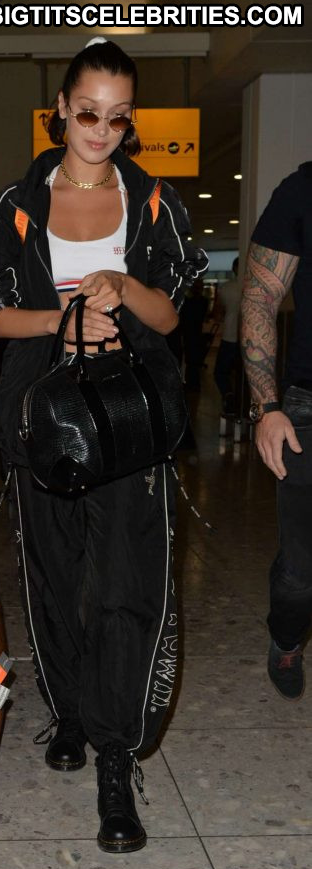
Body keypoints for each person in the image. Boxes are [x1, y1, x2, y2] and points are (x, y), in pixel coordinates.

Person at [0, 37, 207, 854]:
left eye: (118, 117)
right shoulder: (17, 203)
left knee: (126, 585)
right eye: (88, 113)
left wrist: (124, 287)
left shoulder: (155, 203)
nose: (101, 130)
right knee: (55, 572)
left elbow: (170, 313)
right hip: (46, 415)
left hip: (130, 418)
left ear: (130, 122)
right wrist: (61, 319)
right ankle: (67, 708)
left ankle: (114, 755)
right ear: (60, 111)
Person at [240, 161, 312, 701]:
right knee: (300, 570)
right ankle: (287, 638)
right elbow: (260, 296)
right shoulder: (304, 189)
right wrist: (267, 406)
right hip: (308, 406)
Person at [213, 257, 241, 413]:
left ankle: (229, 396)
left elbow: (217, 314)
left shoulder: (226, 288)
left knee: (220, 372)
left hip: (230, 337)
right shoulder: (253, 286)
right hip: (249, 340)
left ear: (234, 269)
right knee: (243, 373)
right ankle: (241, 402)